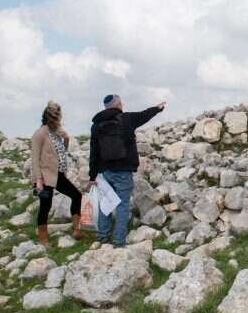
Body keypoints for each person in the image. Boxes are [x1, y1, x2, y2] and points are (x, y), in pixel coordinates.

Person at [89, 94, 165, 247]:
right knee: (122, 204)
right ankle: (118, 240)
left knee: (106, 202)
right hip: (123, 170)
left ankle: (103, 235)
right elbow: (144, 115)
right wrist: (157, 109)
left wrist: (92, 174)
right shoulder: (126, 119)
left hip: (105, 171)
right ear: (119, 105)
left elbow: (94, 151)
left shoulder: (96, 125)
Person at [30, 101, 84, 246]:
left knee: (76, 195)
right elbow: (34, 159)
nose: (59, 121)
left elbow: (62, 153)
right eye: (57, 118)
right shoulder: (39, 134)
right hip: (44, 176)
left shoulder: (56, 133)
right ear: (49, 118)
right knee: (45, 205)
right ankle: (43, 238)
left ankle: (77, 229)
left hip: (58, 174)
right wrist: (39, 181)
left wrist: (65, 139)